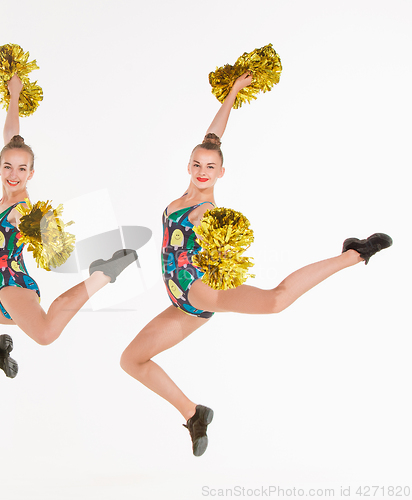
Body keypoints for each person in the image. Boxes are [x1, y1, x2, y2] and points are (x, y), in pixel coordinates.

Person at [120, 71, 392, 456]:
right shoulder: (184, 194)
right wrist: (233, 92)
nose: (202, 170)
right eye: (197, 164)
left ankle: (354, 253)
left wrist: (217, 250)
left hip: (200, 292)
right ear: (189, 165)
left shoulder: (205, 209)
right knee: (131, 359)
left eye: (210, 167)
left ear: (221, 173)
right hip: (182, 304)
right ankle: (194, 414)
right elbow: (213, 135)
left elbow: (215, 241)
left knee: (276, 300)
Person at [0, 75, 137, 378]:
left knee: (46, 334)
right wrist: (14, 95)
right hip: (2, 291)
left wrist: (46, 232)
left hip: (13, 287)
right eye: (8, 166)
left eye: (22, 169)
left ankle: (101, 274)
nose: (14, 174)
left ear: (31, 173)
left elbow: (41, 235)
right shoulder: (4, 197)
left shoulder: (20, 209)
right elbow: (11, 134)